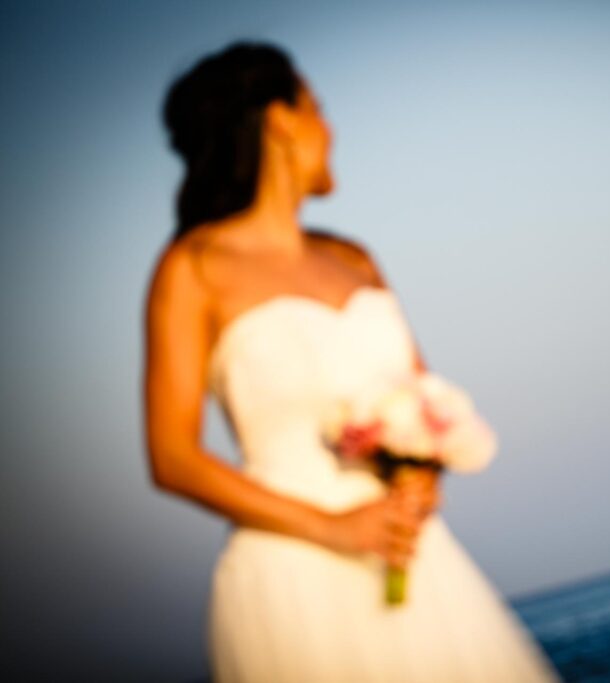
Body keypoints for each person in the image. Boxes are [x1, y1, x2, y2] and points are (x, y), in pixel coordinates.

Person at [144, 41, 559, 683]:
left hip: (410, 558)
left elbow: (425, 403)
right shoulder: (193, 267)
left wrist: (422, 479)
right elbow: (172, 457)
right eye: (317, 108)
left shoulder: (354, 259)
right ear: (281, 119)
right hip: (292, 574)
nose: (329, 128)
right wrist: (333, 528)